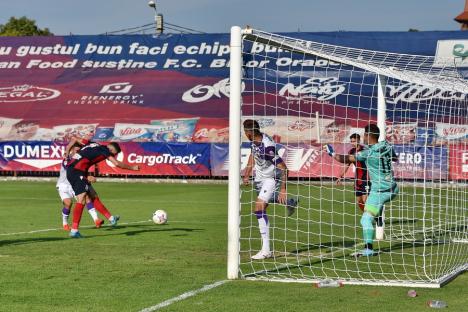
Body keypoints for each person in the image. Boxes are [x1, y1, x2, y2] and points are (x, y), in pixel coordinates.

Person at [325, 124, 398, 256]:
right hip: (393, 188)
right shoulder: (387, 146)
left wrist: (332, 153)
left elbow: (346, 159)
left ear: (368, 136)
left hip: (380, 191)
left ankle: (368, 249)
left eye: (364, 134)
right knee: (367, 204)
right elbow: (395, 158)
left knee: (365, 219)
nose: (363, 137)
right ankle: (378, 212)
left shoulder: (367, 153)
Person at [242, 119, 298, 260]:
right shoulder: (255, 141)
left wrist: (283, 188)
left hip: (271, 178)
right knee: (267, 202)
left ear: (248, 133)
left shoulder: (268, 147)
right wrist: (247, 174)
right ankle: (289, 202)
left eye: (245, 131)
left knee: (259, 208)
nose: (244, 134)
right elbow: (252, 156)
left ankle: (266, 250)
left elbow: (284, 168)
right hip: (260, 178)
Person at [65, 138, 140, 238]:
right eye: (114, 154)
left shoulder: (94, 144)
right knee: (81, 199)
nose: (113, 155)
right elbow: (117, 164)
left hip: (76, 170)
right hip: (76, 171)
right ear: (112, 150)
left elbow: (75, 138)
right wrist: (132, 168)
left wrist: (67, 150)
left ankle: (111, 218)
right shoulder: (105, 150)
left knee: (92, 195)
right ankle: (74, 230)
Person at [57, 142, 103, 231]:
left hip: (74, 184)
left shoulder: (80, 159)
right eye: (77, 150)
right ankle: (65, 223)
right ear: (72, 150)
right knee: (68, 203)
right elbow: (73, 171)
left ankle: (96, 220)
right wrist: (87, 177)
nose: (78, 152)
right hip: (64, 185)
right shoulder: (67, 159)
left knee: (87, 198)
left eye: (79, 150)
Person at [334, 133, 370, 213]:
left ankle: (373, 217)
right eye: (351, 141)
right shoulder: (351, 151)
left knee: (366, 200)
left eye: (354, 141)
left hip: (366, 178)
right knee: (359, 201)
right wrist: (340, 176)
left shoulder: (365, 150)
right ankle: (367, 215)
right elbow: (347, 164)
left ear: (358, 140)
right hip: (357, 180)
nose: (352, 143)